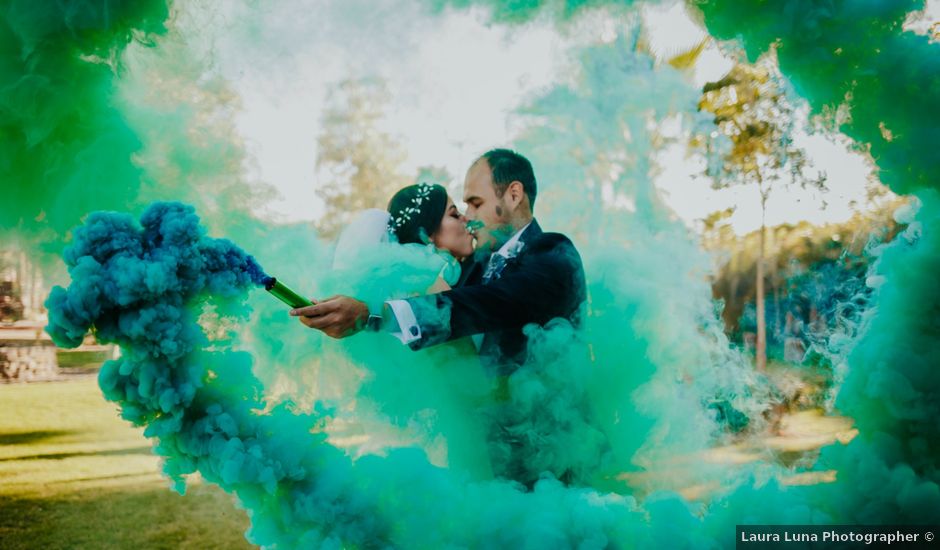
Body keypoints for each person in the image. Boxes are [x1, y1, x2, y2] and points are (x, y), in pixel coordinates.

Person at [292, 149, 586, 375]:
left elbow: (496, 302)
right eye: (460, 210)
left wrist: (374, 314)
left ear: (513, 195)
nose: (468, 217)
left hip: (558, 439)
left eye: (475, 203)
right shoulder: (472, 270)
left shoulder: (552, 251)